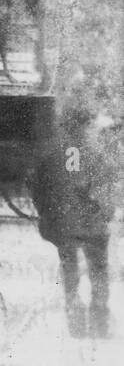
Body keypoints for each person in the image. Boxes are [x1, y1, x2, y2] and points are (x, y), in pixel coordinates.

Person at [29, 105, 120, 338]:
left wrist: (46, 213)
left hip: (65, 226)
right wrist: (106, 213)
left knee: (70, 275)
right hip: (94, 225)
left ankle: (76, 326)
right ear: (87, 125)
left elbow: (35, 185)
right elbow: (109, 188)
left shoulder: (52, 153)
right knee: (99, 273)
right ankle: (100, 325)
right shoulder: (97, 154)